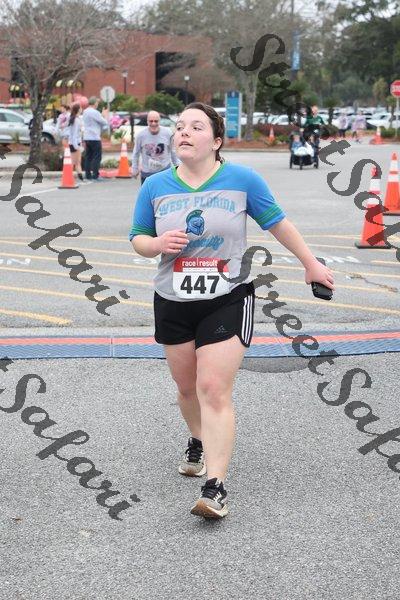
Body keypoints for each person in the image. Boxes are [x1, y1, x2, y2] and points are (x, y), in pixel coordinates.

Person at [128, 102, 334, 520]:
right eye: (179, 126)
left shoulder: (243, 180)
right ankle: (198, 438)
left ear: (217, 141)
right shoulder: (155, 186)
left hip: (228, 296)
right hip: (172, 299)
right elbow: (138, 238)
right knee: (187, 388)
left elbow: (278, 223)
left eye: (196, 127)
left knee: (212, 388)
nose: (184, 132)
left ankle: (215, 487)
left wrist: (311, 264)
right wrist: (157, 244)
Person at [131, 110, 179, 185]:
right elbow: (136, 153)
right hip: (147, 173)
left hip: (164, 172)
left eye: (156, 121)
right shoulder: (141, 135)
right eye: (151, 121)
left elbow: (173, 151)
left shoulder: (167, 133)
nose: (153, 123)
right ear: (147, 121)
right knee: (148, 193)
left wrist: (177, 167)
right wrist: (135, 168)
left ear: (159, 121)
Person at [82, 96, 108, 181]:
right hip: (95, 137)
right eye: (97, 102)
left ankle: (88, 174)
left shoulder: (85, 111)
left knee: (88, 156)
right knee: (97, 157)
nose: (97, 104)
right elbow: (104, 122)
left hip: (87, 136)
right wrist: (104, 115)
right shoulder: (95, 112)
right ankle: (95, 175)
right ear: (94, 103)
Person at [66, 102, 84, 181]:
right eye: (80, 108)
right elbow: (74, 134)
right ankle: (69, 177)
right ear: (78, 109)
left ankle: (80, 177)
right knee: (75, 162)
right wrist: (76, 146)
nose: (81, 109)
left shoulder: (77, 118)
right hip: (75, 143)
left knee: (77, 162)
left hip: (76, 142)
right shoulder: (76, 120)